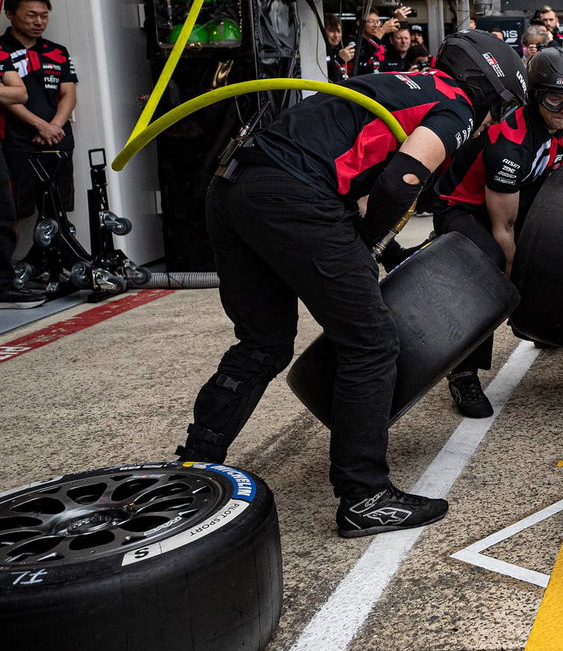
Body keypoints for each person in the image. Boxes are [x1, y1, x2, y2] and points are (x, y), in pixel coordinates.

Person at [178, 29, 529, 537]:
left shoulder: (399, 82)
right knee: (370, 341)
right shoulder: (454, 106)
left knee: (262, 343)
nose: (493, 123)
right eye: (500, 110)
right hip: (294, 197)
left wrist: (375, 248)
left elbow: (355, 167)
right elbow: (401, 180)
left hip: (234, 187)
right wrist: (366, 242)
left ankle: (196, 463)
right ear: (490, 91)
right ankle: (365, 496)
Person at [432, 48, 563, 415]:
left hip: (518, 195)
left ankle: (541, 326)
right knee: (494, 269)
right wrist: (517, 290)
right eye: (554, 100)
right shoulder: (509, 145)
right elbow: (504, 227)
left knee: (559, 243)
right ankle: (463, 372)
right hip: (466, 208)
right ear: (535, 96)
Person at [0, 0, 55, 307]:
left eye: (43, 15)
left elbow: (18, 93)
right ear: (10, 15)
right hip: (17, 141)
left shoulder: (3, 53)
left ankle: (6, 285)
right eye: (31, 15)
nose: (38, 21)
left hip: (12, 143)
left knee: (6, 214)